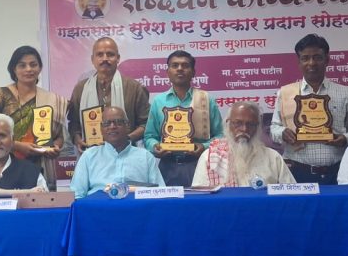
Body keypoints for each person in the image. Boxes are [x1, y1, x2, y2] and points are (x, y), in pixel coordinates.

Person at [270, 34, 348, 184]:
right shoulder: (285, 93)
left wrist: (345, 138)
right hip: (296, 171)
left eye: (317, 57)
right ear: (299, 62)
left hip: (337, 171)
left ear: (327, 60)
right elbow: (274, 128)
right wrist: (282, 133)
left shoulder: (345, 93)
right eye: (305, 58)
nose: (311, 63)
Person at [0, 46, 67, 190]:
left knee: (39, 202)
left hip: (40, 168)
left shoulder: (52, 100)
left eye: (33, 64)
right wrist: (18, 146)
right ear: (14, 69)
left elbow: (58, 136)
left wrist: (55, 147)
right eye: (22, 65)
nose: (28, 69)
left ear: (40, 68)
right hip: (5, 166)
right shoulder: (0, 95)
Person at [144, 50, 223, 186]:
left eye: (185, 65)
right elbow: (149, 136)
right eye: (175, 65)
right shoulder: (159, 101)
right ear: (167, 72)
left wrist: (203, 146)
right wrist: (155, 146)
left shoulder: (206, 100)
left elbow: (221, 136)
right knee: (168, 200)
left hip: (200, 165)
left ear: (193, 72)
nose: (180, 69)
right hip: (167, 166)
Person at [67, 37, 150, 152]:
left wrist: (126, 138)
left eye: (110, 54)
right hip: (91, 154)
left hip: (126, 154)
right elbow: (73, 124)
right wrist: (77, 140)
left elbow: (146, 124)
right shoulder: (80, 89)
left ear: (118, 58)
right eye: (100, 55)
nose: (105, 59)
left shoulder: (134, 88)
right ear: (93, 59)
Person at [192, 102, 294, 187]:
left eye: (250, 124)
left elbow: (292, 193)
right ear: (228, 124)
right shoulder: (209, 157)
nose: (244, 129)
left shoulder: (273, 158)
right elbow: (199, 196)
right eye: (238, 123)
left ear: (258, 127)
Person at [69, 106, 164, 198]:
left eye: (118, 122)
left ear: (127, 125)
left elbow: (160, 193)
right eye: (107, 123)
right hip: (99, 207)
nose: (112, 126)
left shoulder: (145, 157)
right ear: (101, 129)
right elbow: (76, 195)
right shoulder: (89, 156)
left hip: (135, 207)